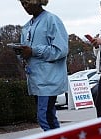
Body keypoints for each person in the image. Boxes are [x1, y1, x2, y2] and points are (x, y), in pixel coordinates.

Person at [17, 0, 68, 131]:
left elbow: (61, 49)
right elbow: (26, 50)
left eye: (27, 2)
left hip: (49, 80)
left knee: (45, 117)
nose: (25, 6)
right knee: (48, 116)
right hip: (35, 80)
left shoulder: (52, 20)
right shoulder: (26, 26)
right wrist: (22, 54)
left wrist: (33, 51)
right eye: (22, 3)